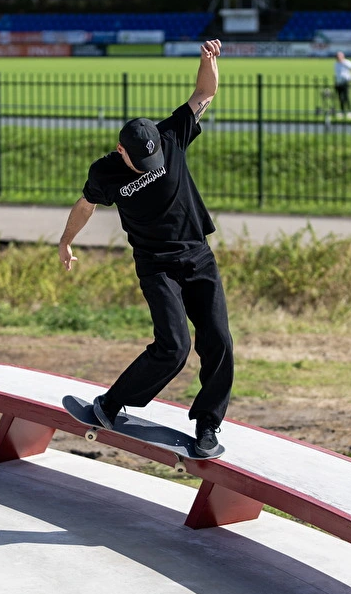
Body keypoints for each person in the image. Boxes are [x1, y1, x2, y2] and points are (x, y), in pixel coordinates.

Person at [57, 39, 232, 460]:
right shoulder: (105, 171)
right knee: (173, 345)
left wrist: (207, 63)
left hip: (197, 254)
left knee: (219, 340)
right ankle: (110, 405)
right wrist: (65, 241)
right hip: (156, 266)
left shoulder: (169, 135)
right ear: (122, 151)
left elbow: (204, 94)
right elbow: (86, 205)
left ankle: (208, 424)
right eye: (140, 162)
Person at [333, 51, 351, 118]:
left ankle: (350, 111)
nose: (338, 58)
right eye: (337, 57)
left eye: (339, 56)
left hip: (345, 81)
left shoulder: (346, 62)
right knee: (340, 97)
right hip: (338, 82)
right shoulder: (336, 64)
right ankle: (342, 111)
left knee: (346, 97)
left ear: (342, 56)